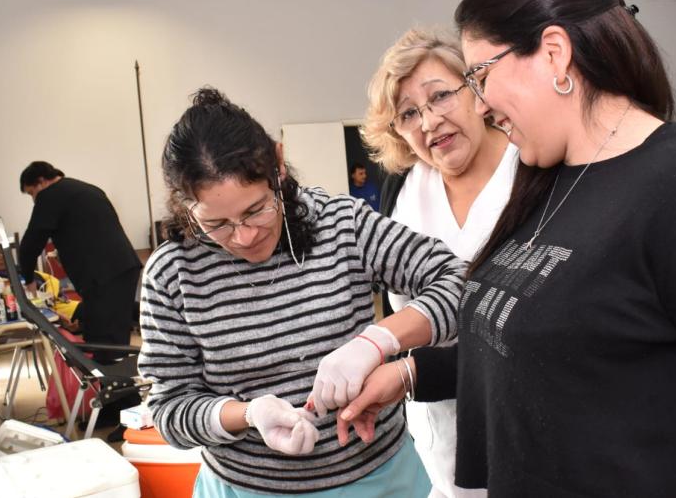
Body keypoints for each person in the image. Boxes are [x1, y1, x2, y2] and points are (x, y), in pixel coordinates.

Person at [341, 0, 676, 496]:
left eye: (481, 76)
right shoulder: (546, 181)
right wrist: (408, 373)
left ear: (554, 54)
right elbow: (541, 347)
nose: (481, 103)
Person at [138, 87, 467, 496]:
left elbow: (460, 284)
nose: (243, 237)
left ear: (278, 165)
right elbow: (170, 410)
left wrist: (378, 340)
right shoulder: (173, 273)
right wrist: (246, 414)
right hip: (245, 488)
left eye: (256, 209)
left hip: (377, 481)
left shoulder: (340, 225)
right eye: (216, 223)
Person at [362, 27, 519, 498]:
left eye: (440, 97)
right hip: (436, 421)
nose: (429, 121)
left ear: (476, 89)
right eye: (409, 113)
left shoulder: (531, 170)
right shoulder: (403, 191)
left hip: (522, 414)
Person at [18, 161, 142, 363]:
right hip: (120, 267)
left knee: (105, 338)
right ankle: (116, 387)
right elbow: (90, 230)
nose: (34, 200)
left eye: (32, 193)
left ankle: (117, 389)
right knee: (110, 330)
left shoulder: (50, 195)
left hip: (104, 274)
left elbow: (31, 242)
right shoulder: (85, 189)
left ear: (40, 182)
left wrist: (28, 277)